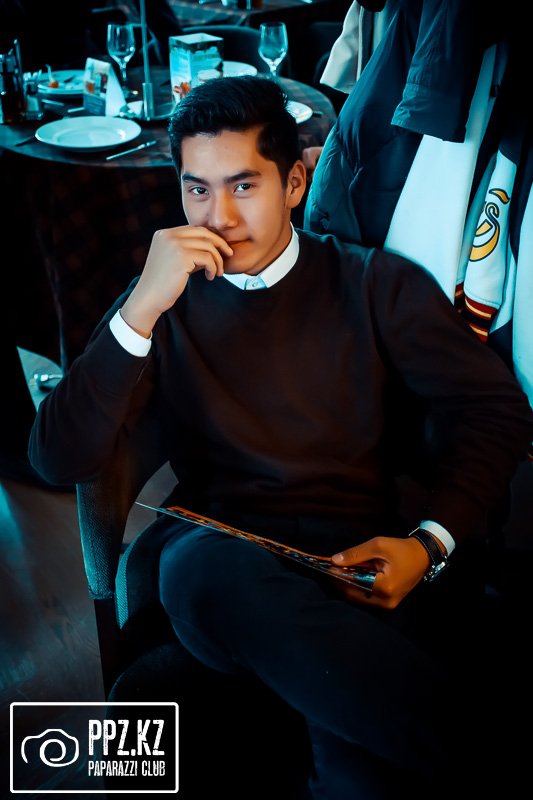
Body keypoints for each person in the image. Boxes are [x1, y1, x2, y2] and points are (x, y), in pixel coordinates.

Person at [28, 75, 533, 799]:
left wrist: (429, 543)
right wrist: (139, 309)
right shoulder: (162, 299)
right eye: (198, 190)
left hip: (354, 560)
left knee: (359, 773)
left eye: (243, 186)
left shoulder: (372, 285)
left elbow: (494, 410)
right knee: (195, 571)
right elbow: (56, 459)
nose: (221, 216)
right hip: (219, 556)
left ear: (293, 183)